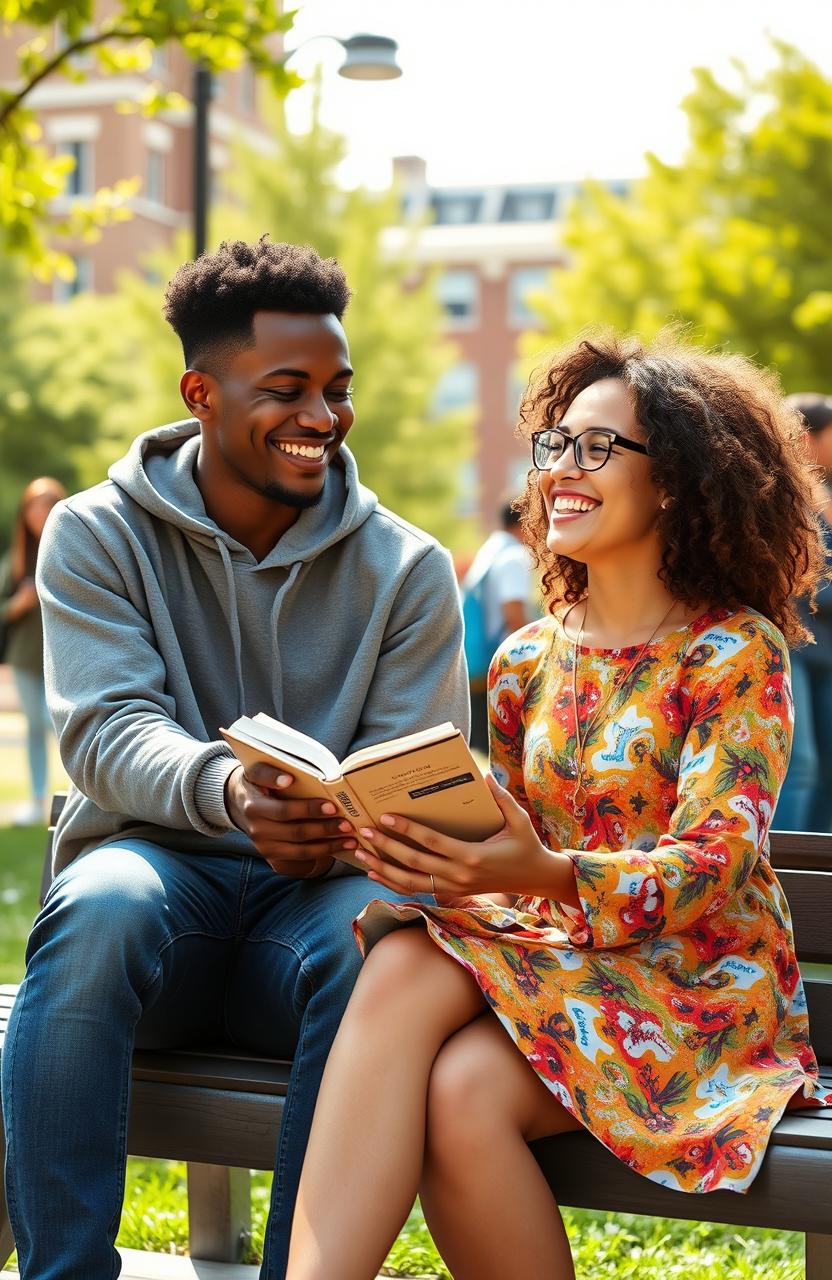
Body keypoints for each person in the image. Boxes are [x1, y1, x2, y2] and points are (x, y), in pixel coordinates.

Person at [286, 333, 832, 1280]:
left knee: (445, 1054)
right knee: (421, 991)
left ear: (674, 482)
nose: (560, 471)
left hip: (696, 990)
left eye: (597, 448)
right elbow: (517, 844)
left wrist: (537, 871)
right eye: (555, 446)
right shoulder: (524, 660)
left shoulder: (735, 653)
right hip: (562, 962)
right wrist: (423, 846)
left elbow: (718, 859)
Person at [0, 237, 469, 1280]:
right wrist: (227, 791)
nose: (322, 416)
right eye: (288, 388)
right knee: (100, 901)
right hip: (156, 898)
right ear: (201, 392)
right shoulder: (94, 532)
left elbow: (417, 774)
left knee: (372, 951)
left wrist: (354, 824)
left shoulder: (409, 568)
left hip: (305, 924)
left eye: (338, 390)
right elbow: (108, 729)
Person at [773, 393, 832, 833]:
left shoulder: (822, 496)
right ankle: (791, 864)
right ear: (808, 437)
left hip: (822, 648)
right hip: (789, 643)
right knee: (800, 765)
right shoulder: (779, 493)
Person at [0, 477, 67, 825]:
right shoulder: (17, 560)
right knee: (33, 726)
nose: (39, 513)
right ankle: (37, 798)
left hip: (66, 655)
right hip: (26, 659)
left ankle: (80, 794)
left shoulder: (72, 545)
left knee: (58, 723)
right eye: (33, 506)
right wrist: (19, 604)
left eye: (46, 504)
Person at [461, 496, 536, 753]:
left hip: (476, 660)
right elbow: (513, 613)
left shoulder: (490, 550)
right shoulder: (514, 556)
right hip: (500, 662)